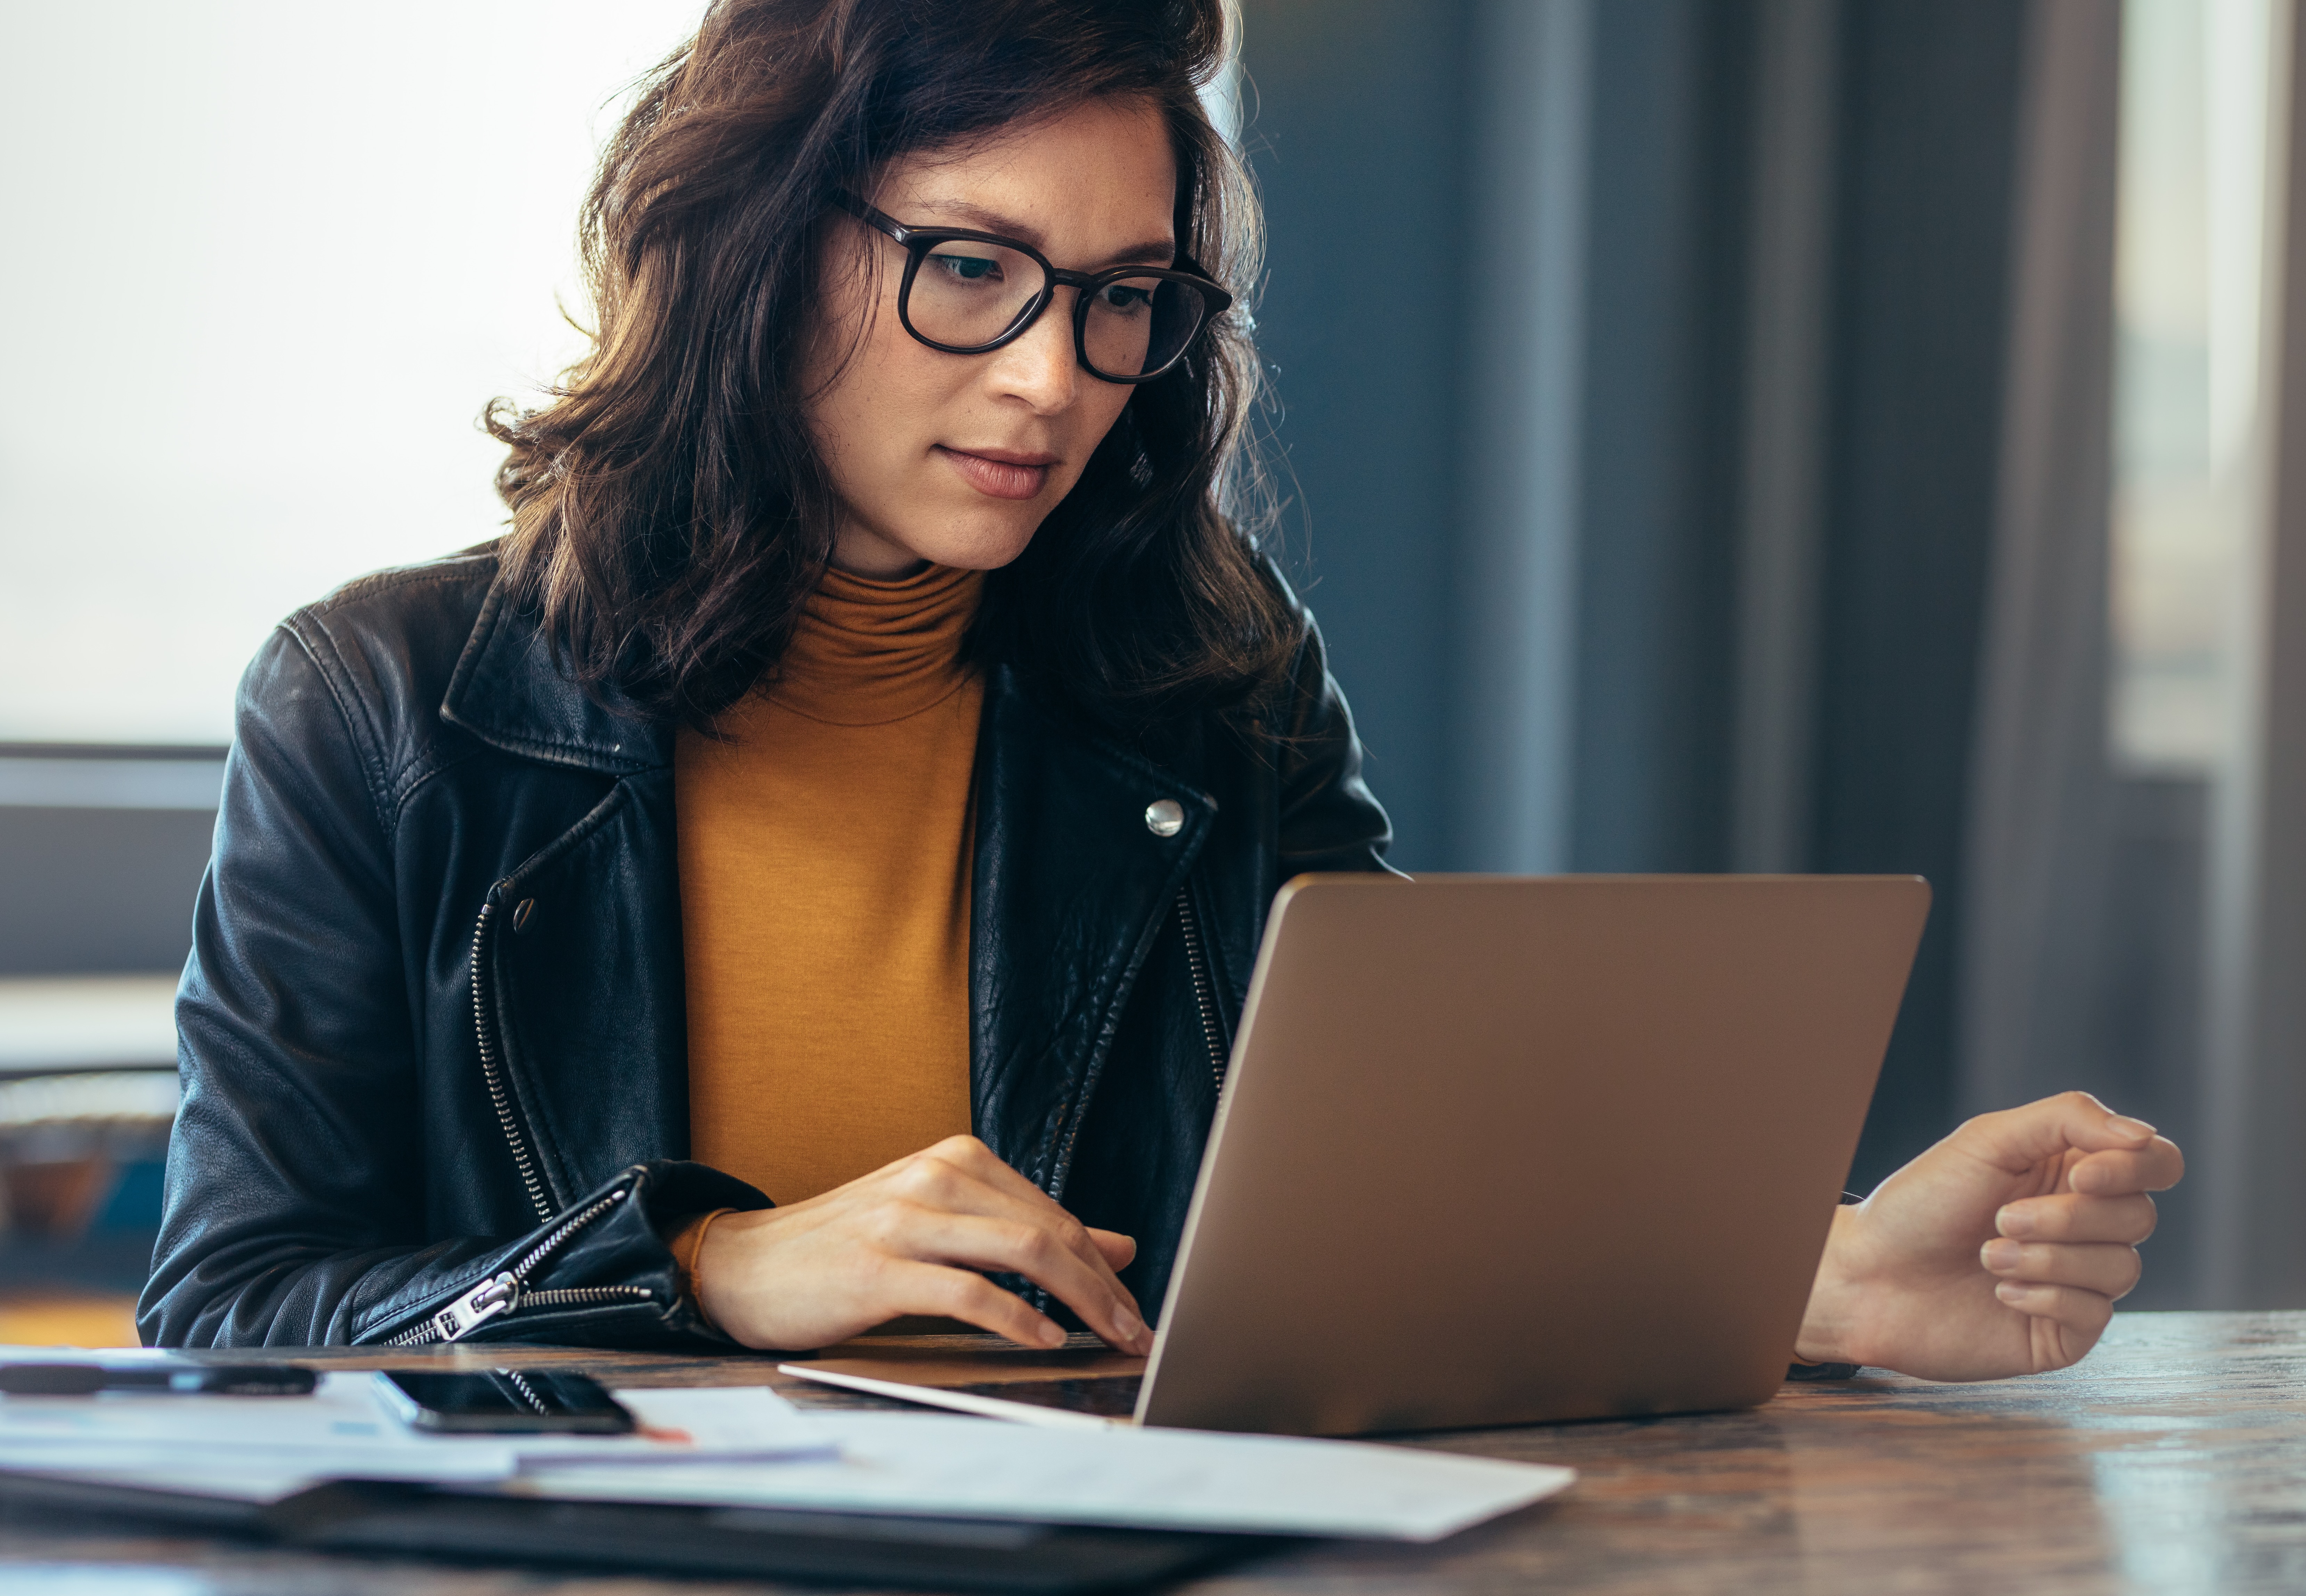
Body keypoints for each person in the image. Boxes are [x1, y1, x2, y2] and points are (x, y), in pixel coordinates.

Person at [140, 0, 2181, 1383]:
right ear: (752, 245)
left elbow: (1393, 1203)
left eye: (1125, 298)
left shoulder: (1207, 673)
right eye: (971, 268)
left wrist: (1815, 1277)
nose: (1053, 377)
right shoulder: (385, 704)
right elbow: (232, 1312)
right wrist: (700, 1273)